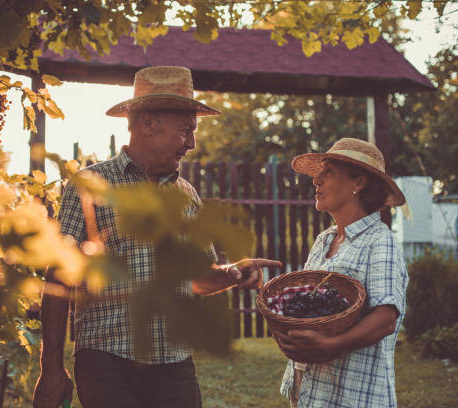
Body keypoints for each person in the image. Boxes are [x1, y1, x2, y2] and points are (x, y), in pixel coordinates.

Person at [32, 66, 281, 408]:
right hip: (108, 364)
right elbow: (58, 278)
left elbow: (195, 279)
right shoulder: (89, 186)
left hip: (175, 366)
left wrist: (233, 273)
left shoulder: (186, 195)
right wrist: (50, 368)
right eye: (185, 131)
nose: (192, 144)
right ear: (149, 124)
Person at [277, 138, 409, 408]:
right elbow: (304, 307)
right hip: (310, 391)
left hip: (354, 395)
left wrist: (330, 346)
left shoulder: (380, 241)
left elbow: (386, 318)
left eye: (329, 172)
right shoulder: (324, 241)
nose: (317, 181)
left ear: (358, 183)